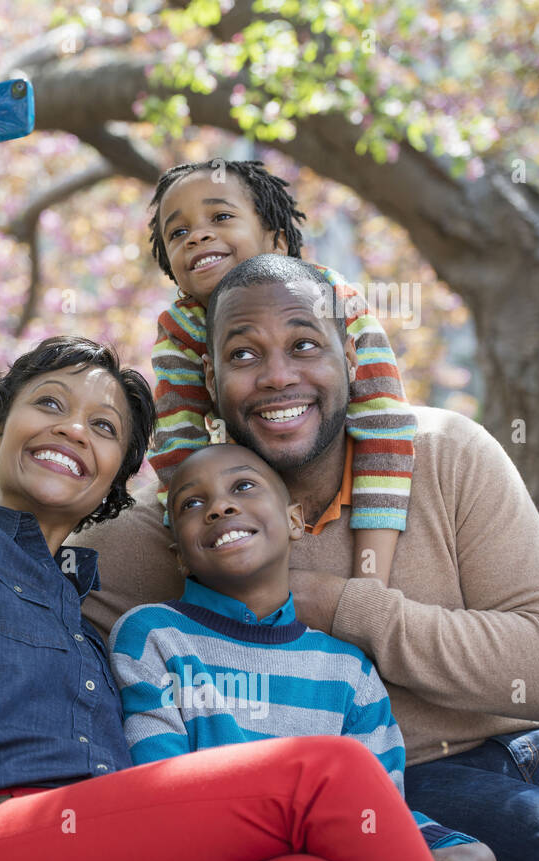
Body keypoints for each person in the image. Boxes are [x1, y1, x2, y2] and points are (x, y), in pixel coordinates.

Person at [0, 86, 438, 861]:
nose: (73, 428)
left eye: (103, 428)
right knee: (324, 774)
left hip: (99, 836)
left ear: (115, 486)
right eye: (50, 405)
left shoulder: (93, 608)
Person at [74, 254, 539, 861]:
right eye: (245, 355)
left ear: (350, 358)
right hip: (410, 777)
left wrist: (342, 606)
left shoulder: (445, 455)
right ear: (210, 375)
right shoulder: (174, 528)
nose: (278, 376)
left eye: (305, 344)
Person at [110, 442, 494, 861]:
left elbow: (377, 810)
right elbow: (159, 792)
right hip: (215, 851)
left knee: (474, 859)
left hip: (334, 848)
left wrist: (442, 844)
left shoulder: (348, 671)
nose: (219, 507)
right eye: (193, 503)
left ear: (294, 521)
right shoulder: (153, 635)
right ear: (179, 556)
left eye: (243, 486)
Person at [146, 160, 415, 590]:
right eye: (177, 233)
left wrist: (369, 582)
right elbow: (180, 448)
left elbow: (383, 424)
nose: (196, 236)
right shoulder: (180, 331)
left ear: (277, 241)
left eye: (221, 217)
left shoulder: (330, 298)